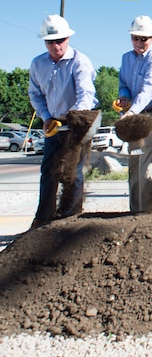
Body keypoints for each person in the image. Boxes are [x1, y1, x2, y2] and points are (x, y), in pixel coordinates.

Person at [28, 14, 98, 228]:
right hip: (54, 125)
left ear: (68, 38)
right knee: (49, 170)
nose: (55, 45)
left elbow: (86, 93)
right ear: (45, 41)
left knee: (73, 171)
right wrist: (46, 117)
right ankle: (44, 218)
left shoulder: (80, 61)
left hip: (79, 123)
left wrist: (75, 117)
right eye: (50, 41)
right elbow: (35, 94)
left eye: (60, 40)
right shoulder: (38, 64)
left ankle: (70, 218)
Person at [116, 15, 152, 213]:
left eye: (144, 38)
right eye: (135, 38)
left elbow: (150, 89)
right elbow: (123, 84)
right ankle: (135, 210)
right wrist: (124, 97)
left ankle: (147, 211)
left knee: (146, 162)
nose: (139, 42)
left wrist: (130, 111)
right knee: (135, 159)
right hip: (136, 117)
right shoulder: (126, 58)